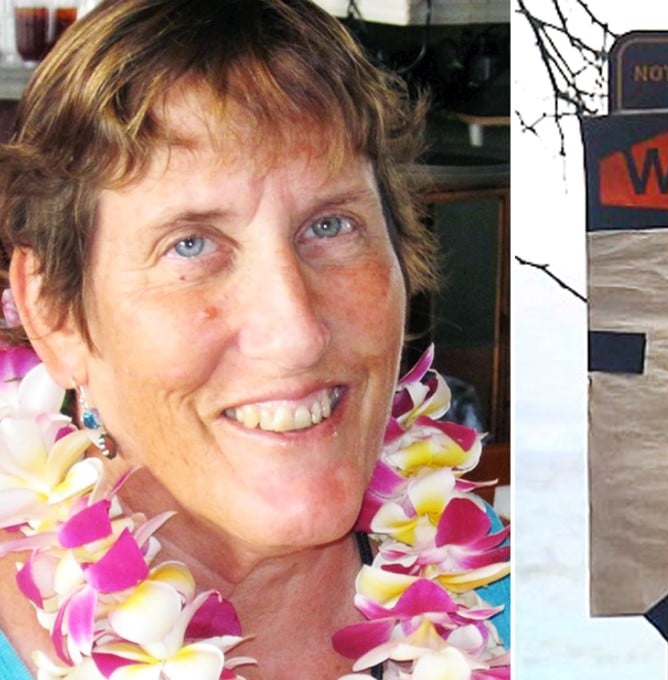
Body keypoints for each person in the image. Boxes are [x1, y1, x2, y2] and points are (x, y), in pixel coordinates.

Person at [0, 1, 510, 679]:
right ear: (56, 315)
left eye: (331, 227)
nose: (295, 333)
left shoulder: (527, 610)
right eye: (190, 245)